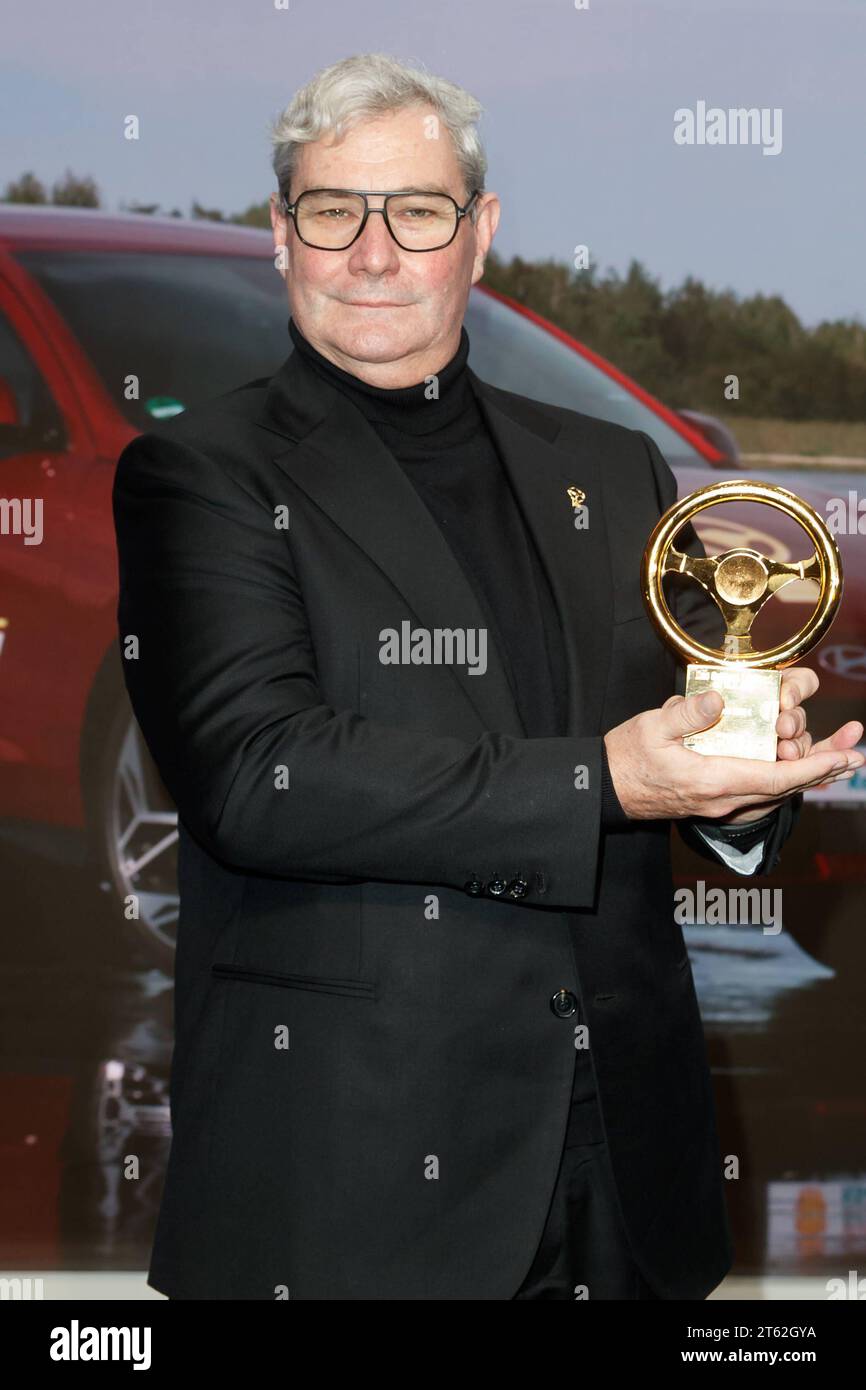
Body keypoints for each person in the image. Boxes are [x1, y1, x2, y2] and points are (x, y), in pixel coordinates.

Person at [112, 52, 864, 1300]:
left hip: (624, 1176)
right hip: (352, 1190)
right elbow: (260, 777)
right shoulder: (203, 476)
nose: (372, 253)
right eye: (330, 211)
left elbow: (655, 760)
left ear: (479, 231)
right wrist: (610, 778)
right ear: (280, 236)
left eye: (414, 211)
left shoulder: (611, 469)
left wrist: (732, 794)